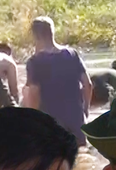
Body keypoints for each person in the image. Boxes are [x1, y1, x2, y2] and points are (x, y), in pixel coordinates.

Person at [22, 16, 93, 147]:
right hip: (75, 118)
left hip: (49, 121)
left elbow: (33, 91)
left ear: (35, 35)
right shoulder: (72, 54)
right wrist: (85, 109)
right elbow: (87, 84)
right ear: (52, 32)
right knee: (81, 156)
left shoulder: (35, 61)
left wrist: (33, 119)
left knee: (52, 159)